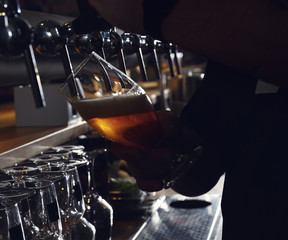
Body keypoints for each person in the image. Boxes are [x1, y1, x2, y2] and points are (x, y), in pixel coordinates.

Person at [87, 0, 288, 239]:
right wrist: (167, 159)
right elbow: (201, 171)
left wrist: (155, 12)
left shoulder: (252, 31)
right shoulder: (237, 52)